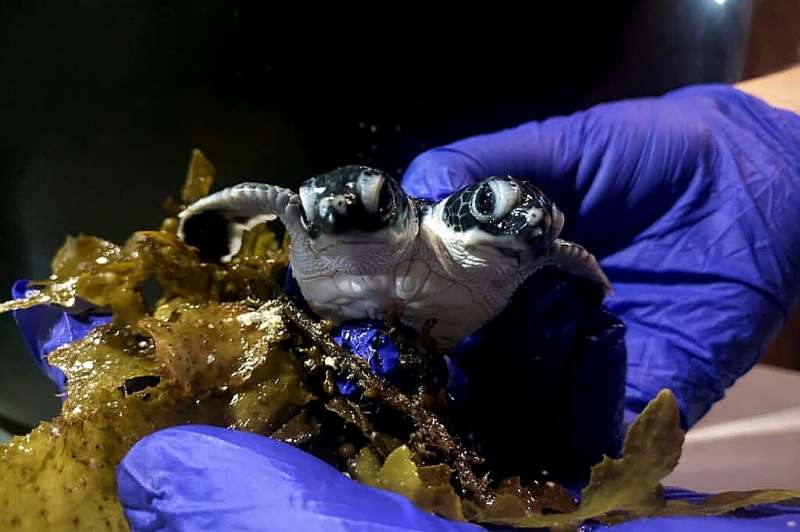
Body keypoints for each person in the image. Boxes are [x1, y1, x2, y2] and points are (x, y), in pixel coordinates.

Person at [18, 66, 800, 531]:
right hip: (326, 322)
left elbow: (567, 258)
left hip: (462, 348)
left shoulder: (510, 241)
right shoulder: (321, 210)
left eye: (531, 225)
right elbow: (271, 204)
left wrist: (766, 160)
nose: (527, 226)